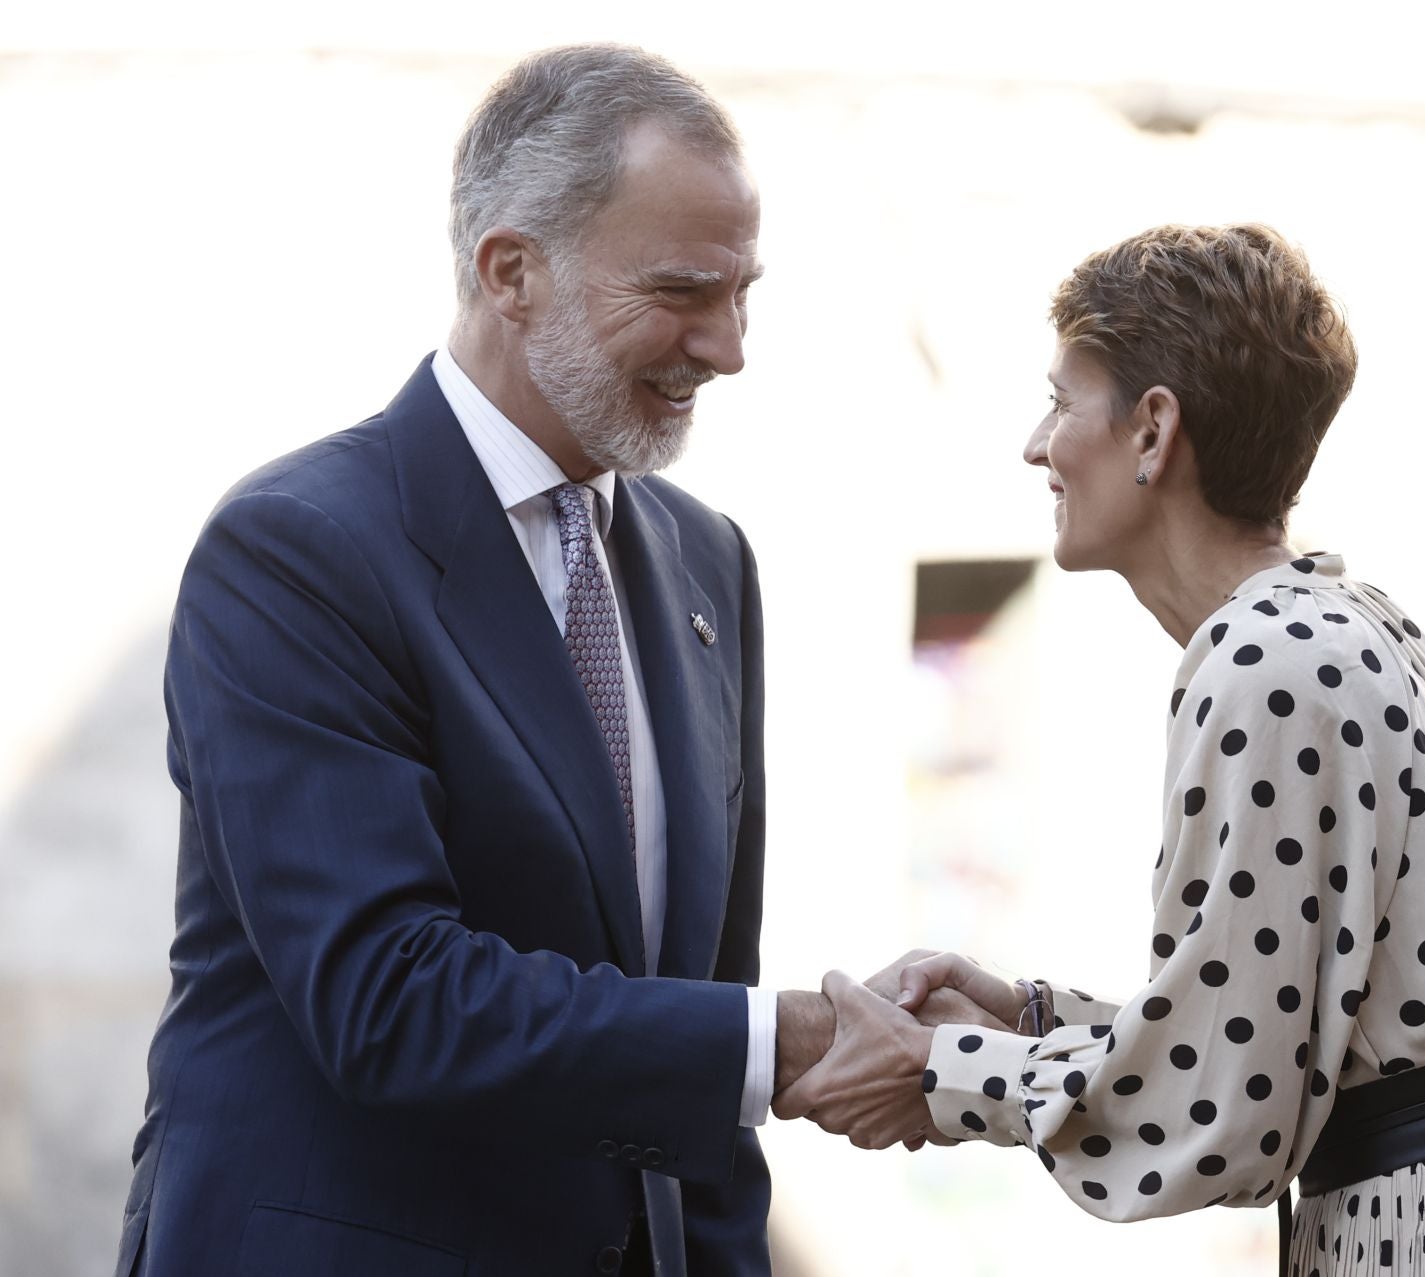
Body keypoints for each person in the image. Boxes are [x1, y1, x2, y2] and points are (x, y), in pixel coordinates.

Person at [775, 224, 1425, 1276]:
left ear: (1153, 430)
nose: (1035, 443)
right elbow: (1270, 1030)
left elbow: (1218, 1110)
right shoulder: (1346, 619)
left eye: (1063, 401)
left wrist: (939, 1067)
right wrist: (1026, 1017)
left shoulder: (1260, 662)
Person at [114, 44, 871, 1277]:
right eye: (684, 289)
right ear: (511, 271)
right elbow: (388, 997)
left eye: (744, 292)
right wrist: (775, 1044)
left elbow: (695, 993)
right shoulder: (299, 550)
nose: (727, 346)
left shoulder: (706, 561)